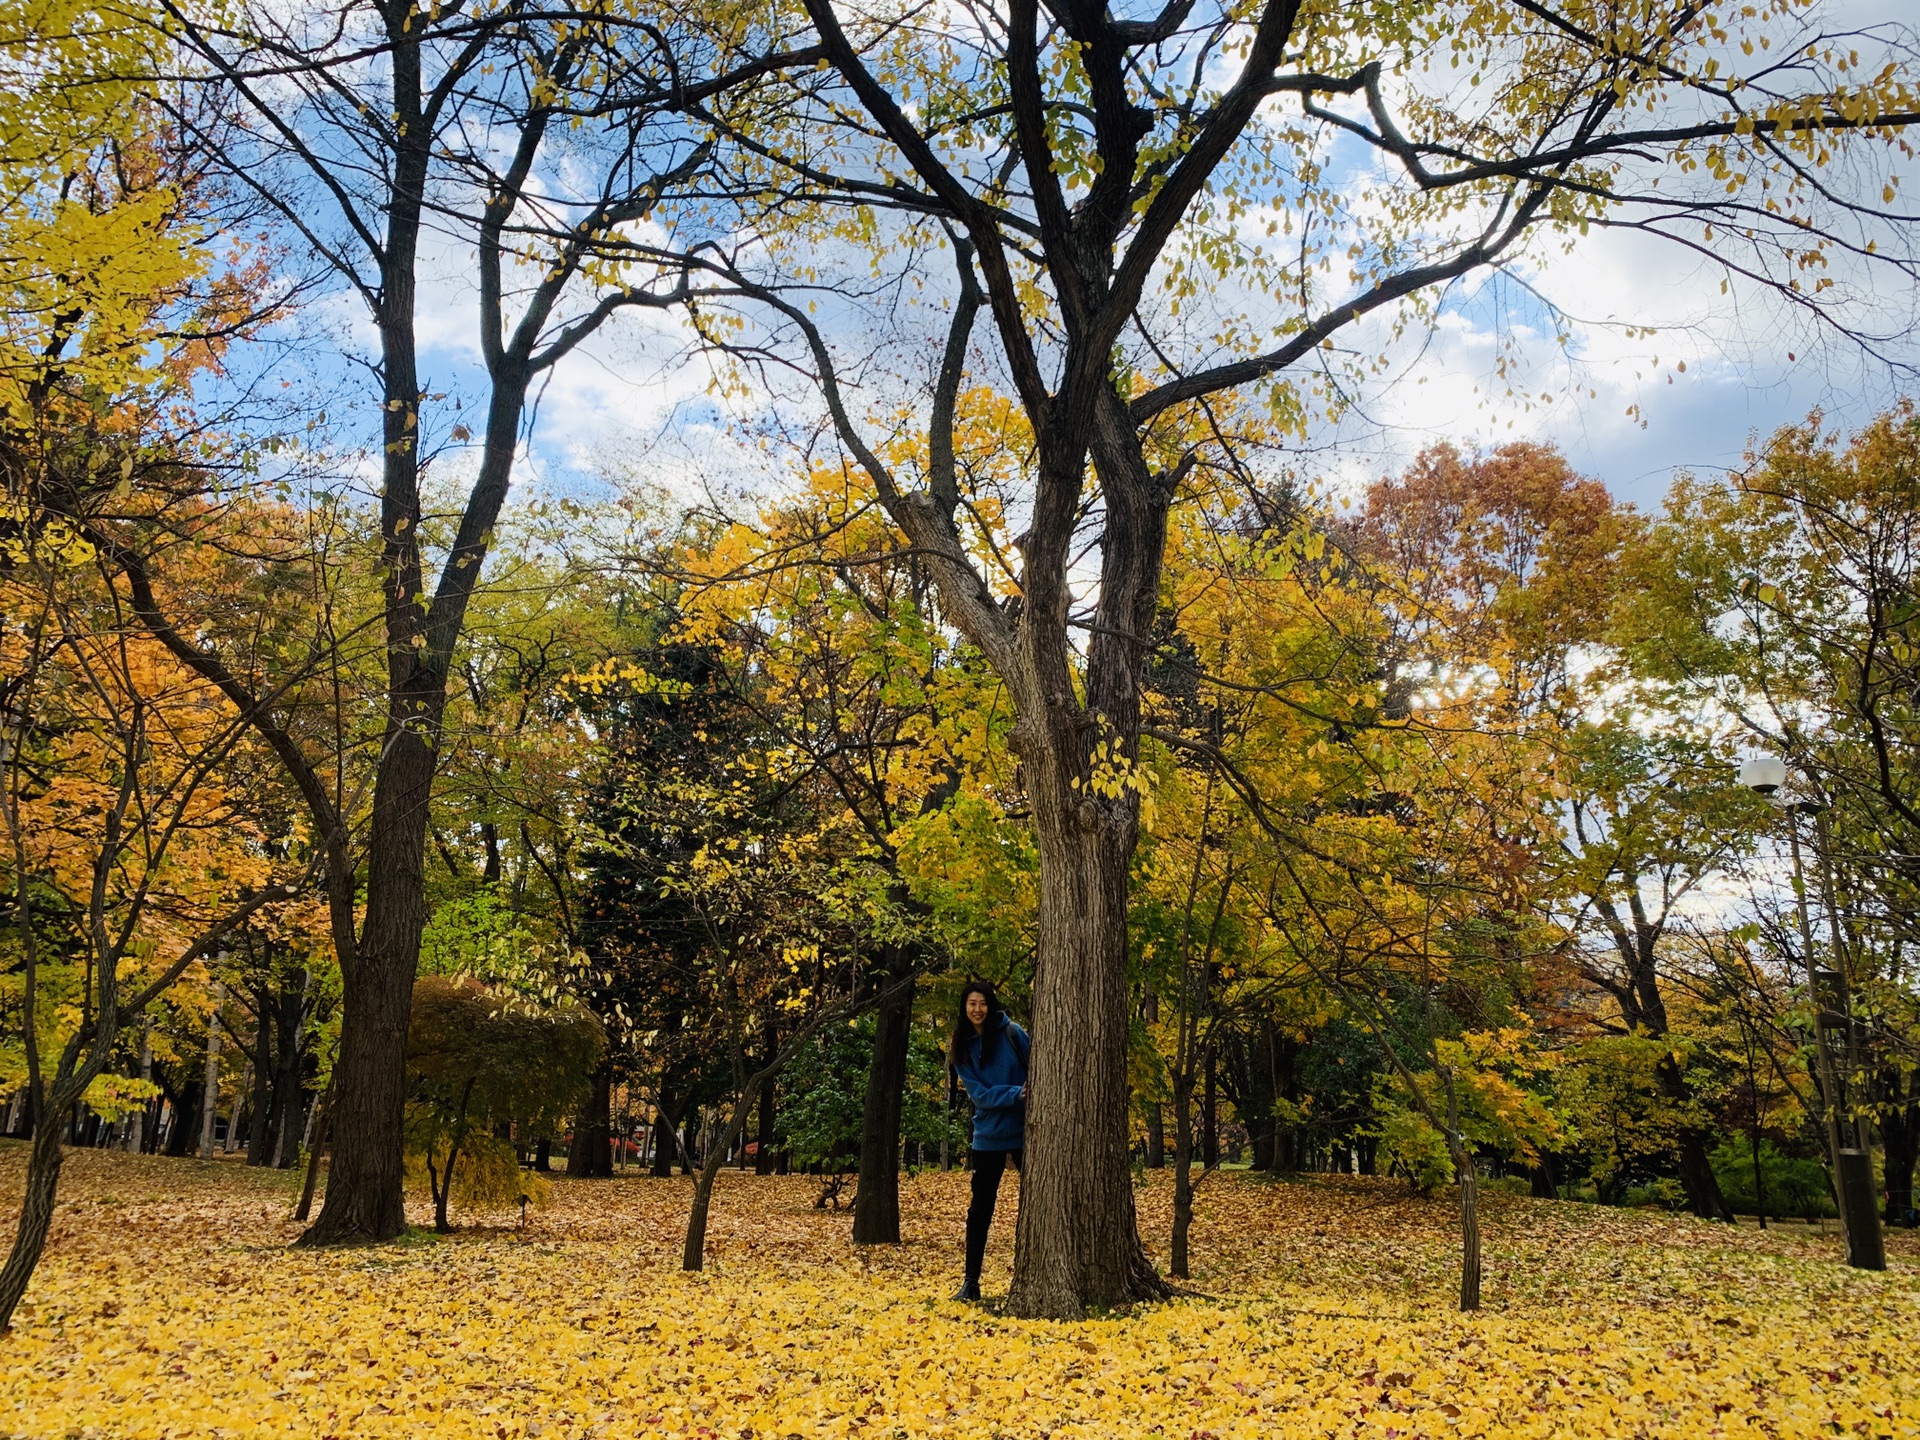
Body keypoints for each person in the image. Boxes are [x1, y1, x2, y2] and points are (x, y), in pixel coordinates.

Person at [949, 980, 1029, 1301]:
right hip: (988, 1136)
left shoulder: (1012, 1033)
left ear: (990, 1004)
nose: (977, 1009)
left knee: (1040, 1201)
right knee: (980, 1210)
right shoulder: (961, 1047)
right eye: (971, 1004)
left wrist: (1026, 1095)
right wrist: (1015, 1094)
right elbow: (979, 1096)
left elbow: (1039, 1065)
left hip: (1026, 1131)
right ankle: (971, 1282)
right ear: (964, 1008)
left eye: (982, 1003)